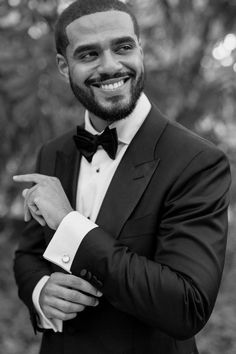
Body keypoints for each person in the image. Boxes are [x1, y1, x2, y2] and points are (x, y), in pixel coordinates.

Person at [13, 0, 231, 353]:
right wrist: (41, 292)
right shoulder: (53, 153)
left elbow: (186, 306)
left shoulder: (198, 161)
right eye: (88, 55)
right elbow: (29, 255)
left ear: (140, 50)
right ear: (64, 66)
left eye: (123, 47)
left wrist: (69, 224)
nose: (111, 66)